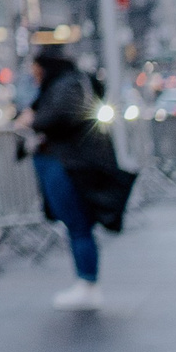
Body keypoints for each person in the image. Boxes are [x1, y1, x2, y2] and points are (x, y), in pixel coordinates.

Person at [27, 47, 131, 310]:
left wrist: (33, 120)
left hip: (69, 164)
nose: (34, 76)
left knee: (78, 225)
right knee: (77, 225)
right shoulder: (71, 82)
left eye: (36, 71)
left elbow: (59, 116)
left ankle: (87, 283)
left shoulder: (67, 84)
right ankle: (86, 282)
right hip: (70, 163)